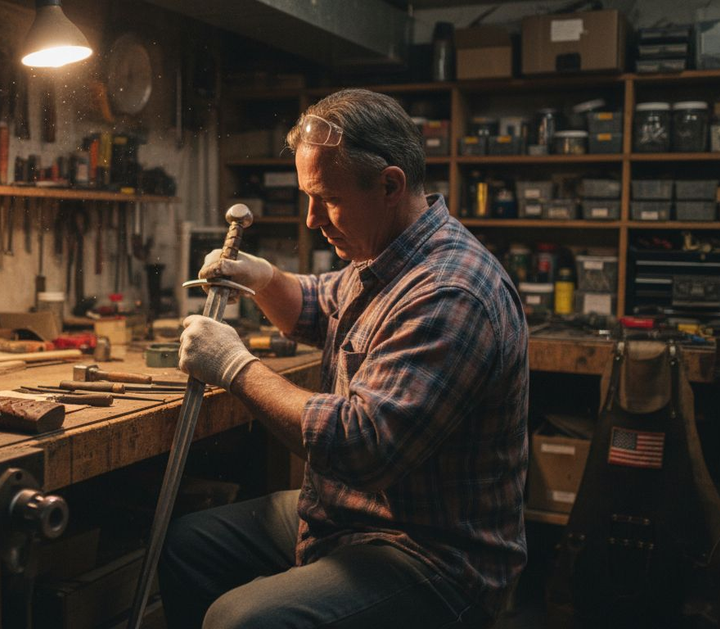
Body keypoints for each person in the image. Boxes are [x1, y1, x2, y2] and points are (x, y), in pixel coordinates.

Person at [163, 88, 529, 629]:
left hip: (434, 552)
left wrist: (234, 366)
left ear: (389, 185)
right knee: (190, 545)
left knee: (239, 620)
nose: (311, 220)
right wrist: (261, 279)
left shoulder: (449, 292)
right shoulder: (385, 254)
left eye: (326, 198)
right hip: (355, 514)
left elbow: (364, 448)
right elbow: (316, 304)